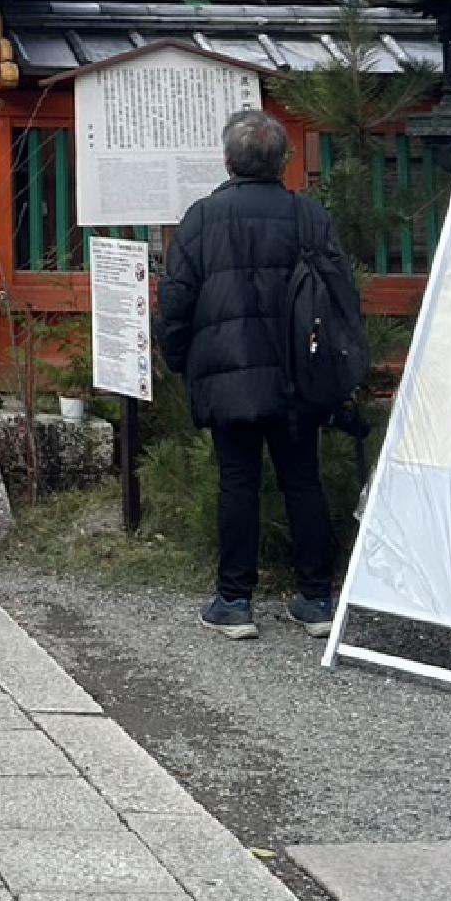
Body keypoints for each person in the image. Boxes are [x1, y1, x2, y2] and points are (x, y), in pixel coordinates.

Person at [155, 106, 352, 639]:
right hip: (299, 373)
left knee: (238, 482)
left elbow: (176, 300)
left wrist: (179, 358)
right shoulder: (309, 216)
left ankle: (235, 602)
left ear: (228, 161)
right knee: (303, 480)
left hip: (228, 372)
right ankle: (316, 599)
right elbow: (340, 295)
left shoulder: (201, 218)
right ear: (283, 161)